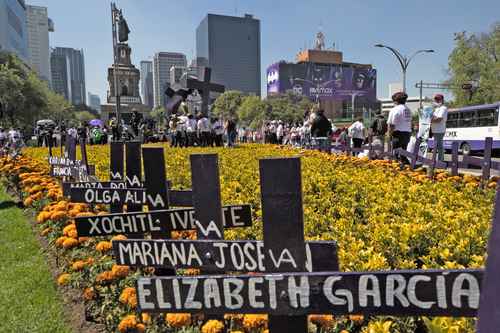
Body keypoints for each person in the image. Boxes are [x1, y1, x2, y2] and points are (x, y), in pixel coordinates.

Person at [387, 92, 412, 164]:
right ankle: (408, 170)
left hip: (397, 134)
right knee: (403, 154)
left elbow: (391, 124)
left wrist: (389, 134)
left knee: (396, 154)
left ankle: (397, 171)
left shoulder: (395, 109)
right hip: (407, 133)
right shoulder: (408, 109)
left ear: (395, 100)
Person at [431, 94, 448, 162]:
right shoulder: (436, 108)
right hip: (435, 130)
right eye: (436, 99)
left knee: (438, 146)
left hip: (439, 130)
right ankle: (437, 160)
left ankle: (440, 160)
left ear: (442, 100)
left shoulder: (443, 108)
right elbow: (434, 118)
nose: (437, 101)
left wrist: (429, 120)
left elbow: (439, 119)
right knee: (437, 146)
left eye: (438, 99)